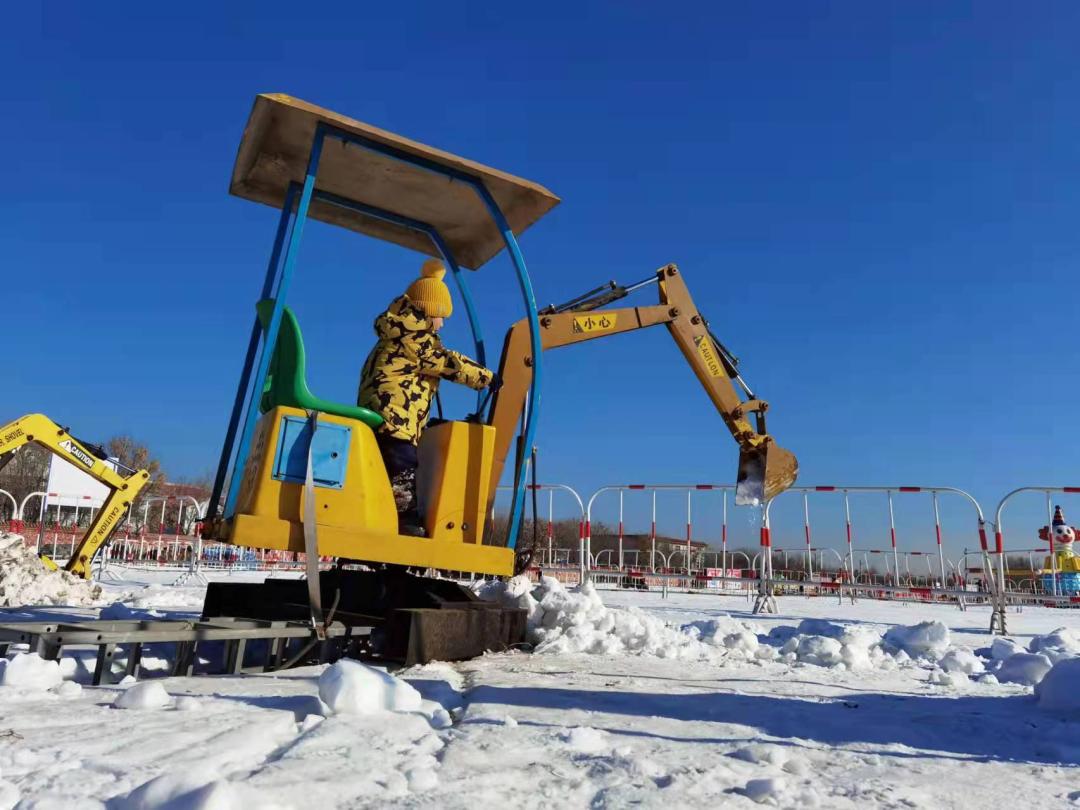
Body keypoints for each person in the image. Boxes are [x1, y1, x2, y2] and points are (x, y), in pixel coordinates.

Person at [358, 259, 495, 536]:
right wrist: (488, 378)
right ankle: (406, 521)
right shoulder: (415, 338)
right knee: (403, 466)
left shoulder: (396, 332)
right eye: (441, 316)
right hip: (394, 417)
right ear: (428, 311)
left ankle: (386, 515)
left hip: (381, 410)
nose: (442, 324)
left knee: (387, 466)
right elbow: (449, 364)